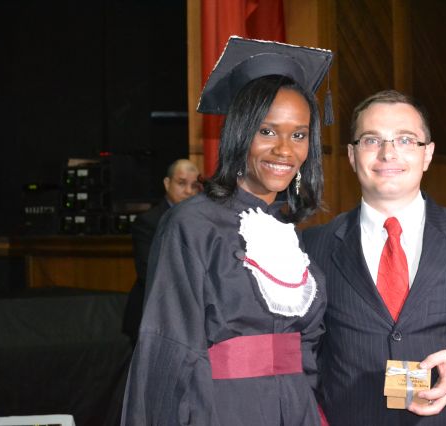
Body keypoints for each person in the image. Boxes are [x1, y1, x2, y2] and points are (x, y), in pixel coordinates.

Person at [120, 36, 333, 425]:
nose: (285, 150)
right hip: (223, 410)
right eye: (267, 131)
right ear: (240, 133)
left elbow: (308, 350)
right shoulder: (192, 224)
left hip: (296, 409)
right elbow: (169, 350)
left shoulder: (289, 232)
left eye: (299, 134)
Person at [303, 90, 446, 425]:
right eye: (372, 140)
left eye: (405, 140)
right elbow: (302, 355)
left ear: (427, 154)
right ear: (352, 155)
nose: (388, 153)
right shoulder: (312, 245)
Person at [122, 159, 201, 347]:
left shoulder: (203, 221)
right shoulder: (149, 222)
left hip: (192, 317)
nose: (188, 191)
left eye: (194, 186)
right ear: (167, 183)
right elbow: (148, 270)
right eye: (181, 183)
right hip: (154, 314)